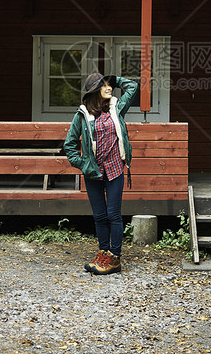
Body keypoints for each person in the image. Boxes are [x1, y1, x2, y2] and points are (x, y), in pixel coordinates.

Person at [64, 72, 138, 275]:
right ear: (95, 91)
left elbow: (133, 87)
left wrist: (115, 80)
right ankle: (103, 252)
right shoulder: (82, 115)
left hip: (114, 169)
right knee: (99, 216)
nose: (109, 88)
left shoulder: (116, 108)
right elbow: (69, 145)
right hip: (93, 172)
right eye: (104, 85)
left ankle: (114, 258)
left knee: (113, 215)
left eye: (109, 85)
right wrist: (84, 164)